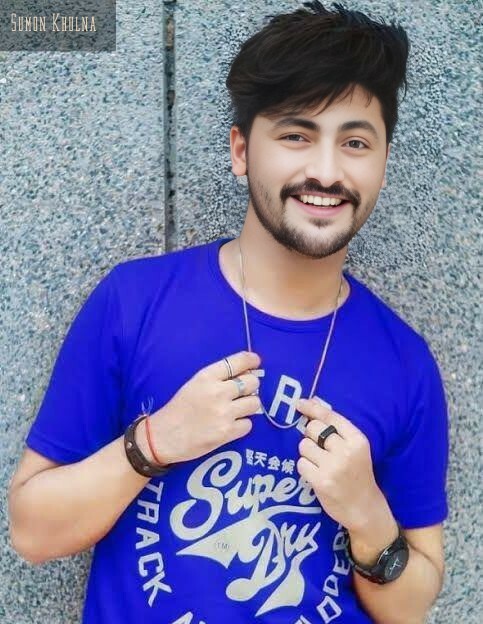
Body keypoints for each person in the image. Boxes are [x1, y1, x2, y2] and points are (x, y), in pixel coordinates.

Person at [8, 2, 449, 623]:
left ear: (381, 161)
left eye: (355, 143)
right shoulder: (136, 302)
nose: (326, 171)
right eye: (296, 136)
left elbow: (409, 609)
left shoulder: (405, 365)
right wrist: (156, 442)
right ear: (241, 151)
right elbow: (31, 532)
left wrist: (368, 516)